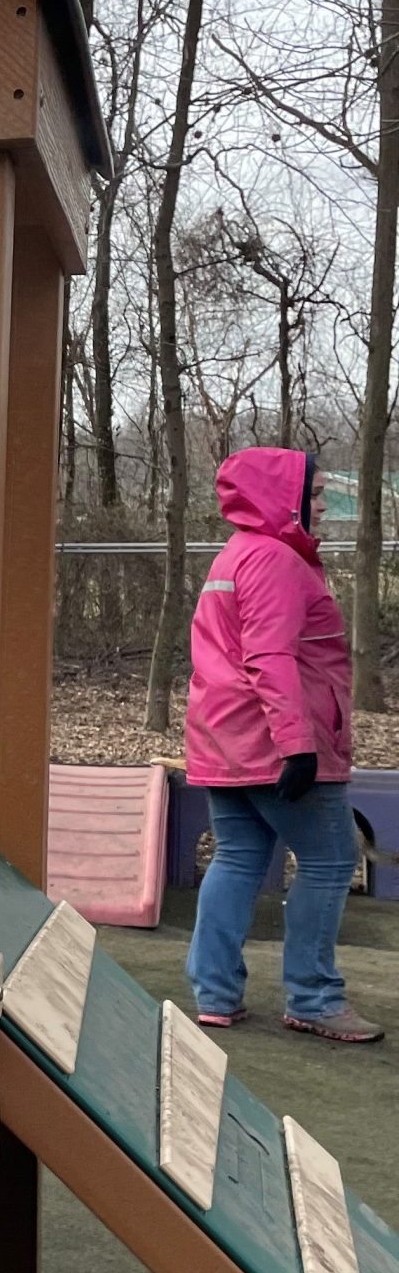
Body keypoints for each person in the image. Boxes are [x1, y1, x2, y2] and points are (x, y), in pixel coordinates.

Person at [184, 447, 380, 1043]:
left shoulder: (235, 555)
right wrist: (298, 746)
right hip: (274, 740)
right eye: (314, 494)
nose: (322, 505)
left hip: (225, 740)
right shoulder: (276, 560)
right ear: (283, 497)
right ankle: (315, 997)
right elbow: (270, 656)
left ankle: (215, 993)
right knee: (329, 861)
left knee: (238, 857)